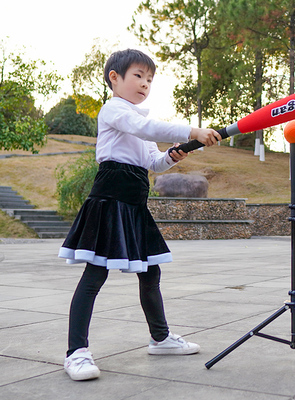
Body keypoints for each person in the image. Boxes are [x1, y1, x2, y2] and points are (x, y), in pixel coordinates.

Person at [59, 48, 221, 381]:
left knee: (150, 274)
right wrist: (192, 131)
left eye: (149, 79)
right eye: (138, 76)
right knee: (94, 276)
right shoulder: (114, 110)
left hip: (134, 204)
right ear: (114, 78)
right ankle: (76, 353)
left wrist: (175, 156)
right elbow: (146, 128)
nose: (145, 84)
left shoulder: (138, 119)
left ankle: (160, 339)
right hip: (109, 200)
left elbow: (153, 163)